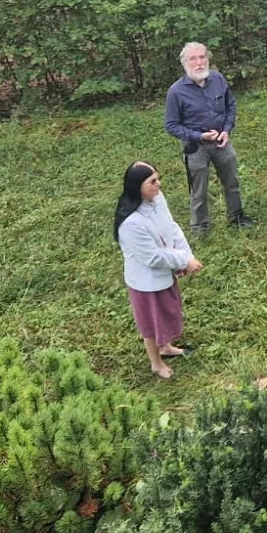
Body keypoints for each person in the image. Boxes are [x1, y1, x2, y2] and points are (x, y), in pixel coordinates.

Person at [115, 162, 200, 380]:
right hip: (146, 281)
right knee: (151, 322)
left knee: (165, 312)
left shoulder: (156, 199)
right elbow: (152, 257)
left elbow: (171, 226)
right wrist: (182, 260)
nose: (158, 184)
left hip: (164, 272)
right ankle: (156, 363)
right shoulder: (131, 223)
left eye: (157, 178)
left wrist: (186, 255)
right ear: (137, 187)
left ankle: (166, 347)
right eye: (152, 181)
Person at [164, 42, 250, 234]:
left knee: (232, 181)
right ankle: (199, 227)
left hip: (222, 142)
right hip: (196, 148)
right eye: (193, 59)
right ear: (184, 63)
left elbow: (231, 105)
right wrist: (199, 136)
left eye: (202, 57)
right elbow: (171, 125)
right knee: (199, 189)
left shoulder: (218, 79)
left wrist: (227, 130)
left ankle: (236, 217)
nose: (199, 62)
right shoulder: (176, 92)